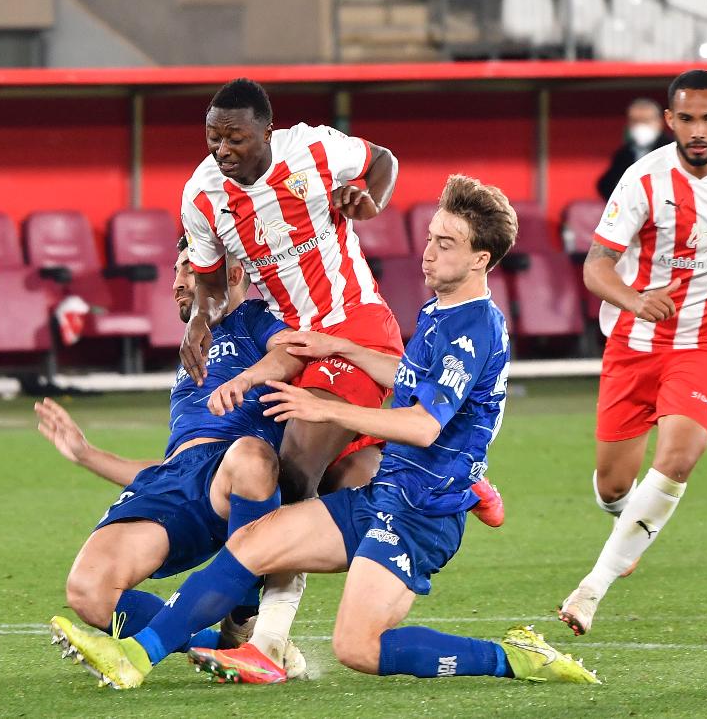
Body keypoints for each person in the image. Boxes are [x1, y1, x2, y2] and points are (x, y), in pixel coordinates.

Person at [48, 174, 598, 689]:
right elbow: (410, 380)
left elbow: (424, 426)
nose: (428, 252)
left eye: (446, 244)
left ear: (481, 259)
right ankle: (138, 655)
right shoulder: (442, 311)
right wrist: (345, 349)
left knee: (358, 649)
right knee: (252, 540)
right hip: (385, 497)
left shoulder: (474, 328)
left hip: (421, 514)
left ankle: (513, 658)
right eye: (431, 237)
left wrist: (328, 410)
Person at [178, 78, 502, 524]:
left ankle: (275, 593)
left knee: (292, 472)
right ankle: (455, 474)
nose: (222, 150)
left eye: (236, 139)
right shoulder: (201, 195)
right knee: (344, 478)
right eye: (213, 138)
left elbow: (383, 161)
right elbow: (212, 289)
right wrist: (199, 319)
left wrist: (370, 202)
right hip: (289, 341)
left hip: (353, 322)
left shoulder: (313, 148)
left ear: (268, 133)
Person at [558, 70, 707, 636]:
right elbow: (596, 266)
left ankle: (593, 586)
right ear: (670, 121)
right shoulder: (642, 181)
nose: (697, 130)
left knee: (680, 455)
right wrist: (636, 301)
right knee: (615, 484)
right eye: (686, 119)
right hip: (635, 344)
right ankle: (627, 523)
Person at [45, 246, 317, 678]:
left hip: (230, 475)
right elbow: (177, 462)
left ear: (231, 274)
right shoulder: (192, 347)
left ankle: (245, 613)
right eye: (175, 270)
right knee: (88, 593)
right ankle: (224, 642)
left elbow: (294, 353)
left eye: (190, 269)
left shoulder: (252, 318)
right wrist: (86, 454)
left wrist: (248, 378)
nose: (177, 280)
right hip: (176, 477)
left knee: (250, 456)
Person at [596, 98, 673, 201]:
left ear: (659, 122)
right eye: (635, 121)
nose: (640, 126)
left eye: (646, 120)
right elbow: (606, 185)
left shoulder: (672, 150)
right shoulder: (623, 154)